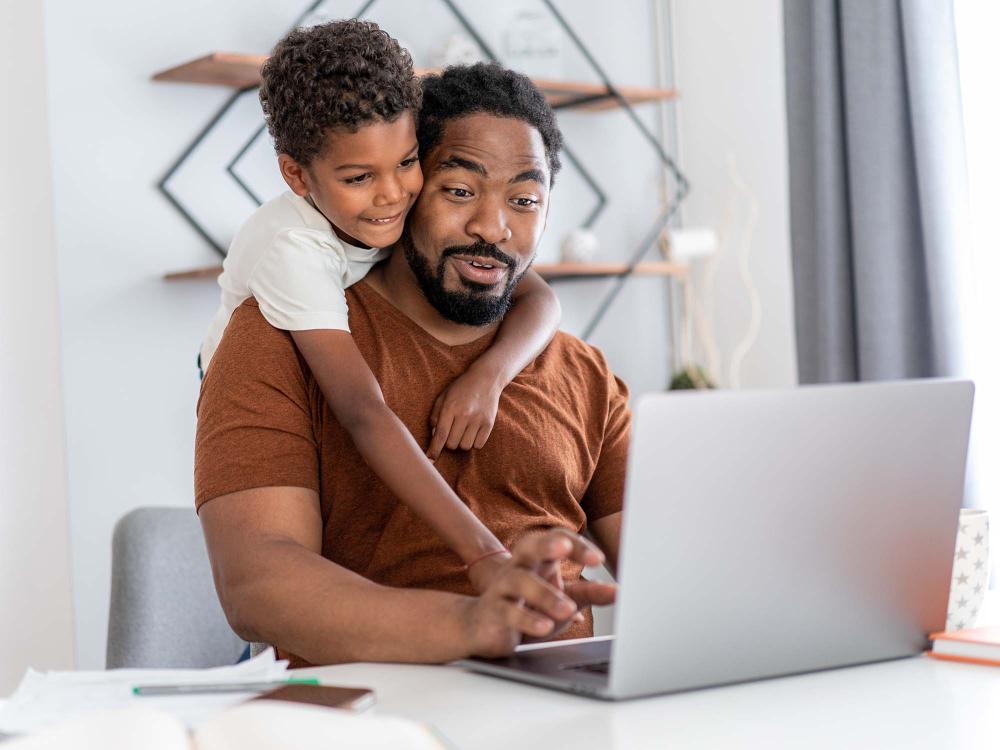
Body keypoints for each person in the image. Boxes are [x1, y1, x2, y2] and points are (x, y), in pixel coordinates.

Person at [196, 62, 629, 668]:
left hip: (564, 712)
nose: (491, 227)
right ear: (411, 184)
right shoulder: (279, 335)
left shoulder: (582, 373)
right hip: (369, 716)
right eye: (458, 190)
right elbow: (256, 586)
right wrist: (473, 623)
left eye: (525, 200)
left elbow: (672, 570)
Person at [198, 20, 563, 591]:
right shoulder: (293, 252)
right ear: (296, 174)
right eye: (360, 176)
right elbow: (364, 412)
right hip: (257, 394)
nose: (393, 193)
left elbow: (540, 296)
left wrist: (489, 376)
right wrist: (485, 554)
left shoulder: (387, 216)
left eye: (407, 161)